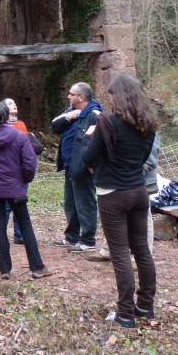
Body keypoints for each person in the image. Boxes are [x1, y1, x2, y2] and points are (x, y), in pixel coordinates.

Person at [81, 74, 159, 328]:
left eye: (112, 94)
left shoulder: (106, 122)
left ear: (119, 96)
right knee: (142, 250)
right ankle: (145, 305)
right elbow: (143, 158)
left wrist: (89, 137)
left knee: (120, 253)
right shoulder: (147, 123)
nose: (110, 99)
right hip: (139, 191)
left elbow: (88, 158)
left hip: (113, 194)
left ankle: (125, 312)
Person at [0, 102, 53, 280]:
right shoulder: (20, 137)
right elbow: (30, 163)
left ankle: (5, 270)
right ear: (8, 117)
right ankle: (37, 267)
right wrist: (24, 180)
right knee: (25, 226)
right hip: (16, 188)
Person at [89, 133, 162, 262]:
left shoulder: (147, 130)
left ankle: (142, 257)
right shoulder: (124, 128)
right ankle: (108, 250)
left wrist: (128, 173)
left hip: (141, 182)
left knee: (145, 218)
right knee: (116, 215)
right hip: (123, 182)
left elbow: (152, 161)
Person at [51, 82, 102, 252]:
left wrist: (91, 164)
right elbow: (55, 126)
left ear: (81, 97)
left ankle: (88, 240)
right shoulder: (70, 111)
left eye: (71, 94)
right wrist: (68, 117)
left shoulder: (94, 115)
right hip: (70, 166)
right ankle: (72, 236)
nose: (68, 96)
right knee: (71, 203)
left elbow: (101, 141)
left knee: (85, 203)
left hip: (84, 169)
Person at [3, 97, 38, 245]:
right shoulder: (2, 126)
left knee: (20, 202)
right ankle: (1, 235)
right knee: (6, 205)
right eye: (10, 103)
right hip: (9, 170)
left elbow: (28, 147)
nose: (14, 104)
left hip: (22, 170)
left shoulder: (22, 124)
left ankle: (19, 235)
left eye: (14, 102)